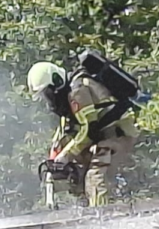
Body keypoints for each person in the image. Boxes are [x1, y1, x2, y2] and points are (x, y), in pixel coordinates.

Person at [27, 59, 139, 207]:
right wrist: (54, 159)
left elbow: (88, 130)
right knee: (78, 178)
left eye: (47, 93)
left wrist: (65, 156)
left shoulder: (78, 91)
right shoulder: (68, 101)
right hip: (102, 138)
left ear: (56, 82)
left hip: (117, 134)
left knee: (94, 178)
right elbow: (64, 135)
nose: (48, 100)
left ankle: (102, 220)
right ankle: (86, 212)